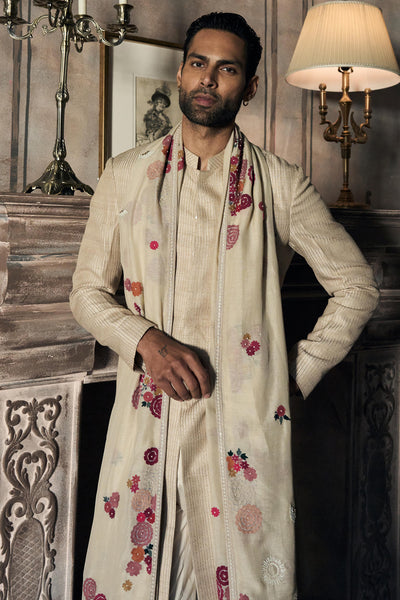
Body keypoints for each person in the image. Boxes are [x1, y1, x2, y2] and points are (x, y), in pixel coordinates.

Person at [70, 12, 379, 600]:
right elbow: (85, 292)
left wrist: (288, 377)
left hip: (243, 429)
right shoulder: (125, 175)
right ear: (181, 72)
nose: (208, 78)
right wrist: (145, 342)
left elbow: (357, 286)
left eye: (227, 68)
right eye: (198, 63)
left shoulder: (280, 183)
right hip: (148, 418)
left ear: (250, 86)